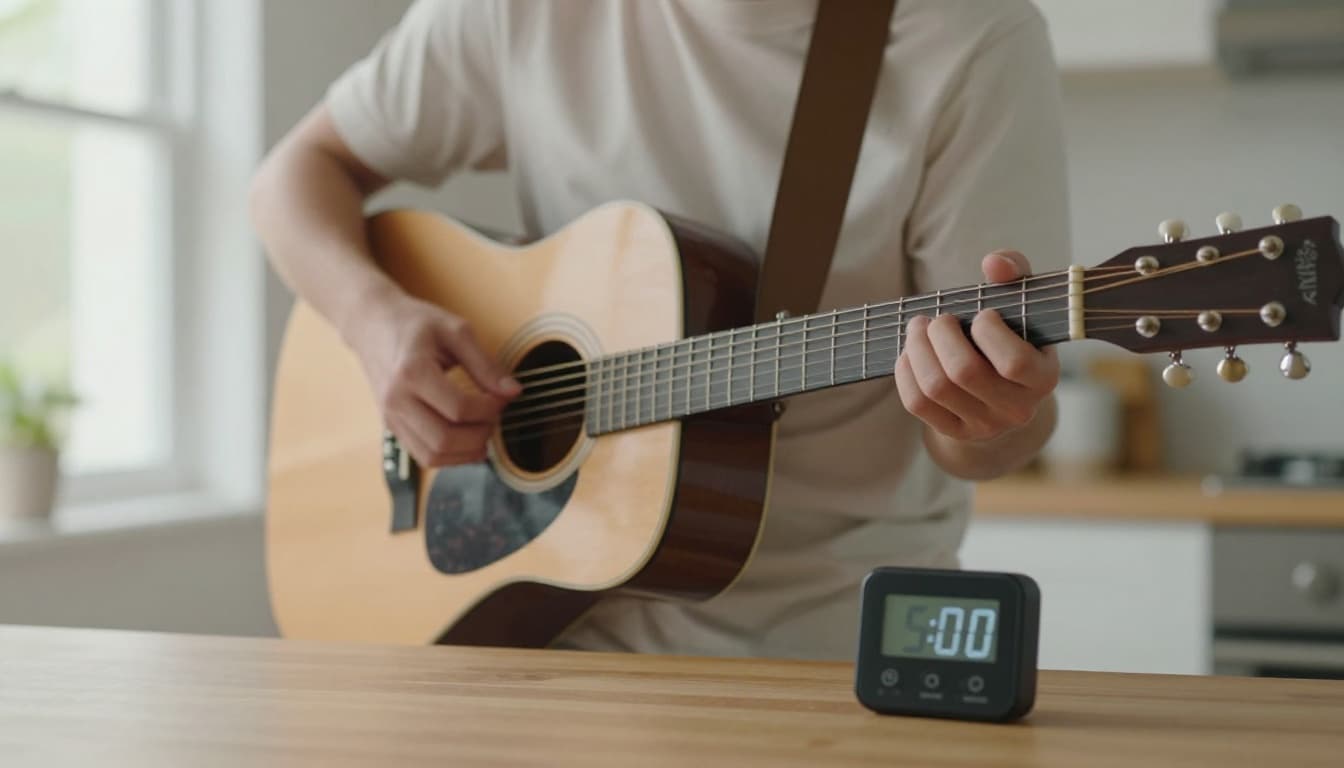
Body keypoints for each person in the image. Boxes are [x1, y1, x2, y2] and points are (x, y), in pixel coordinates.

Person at [249, 0, 1070, 661]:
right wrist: (373, 320)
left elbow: (992, 439)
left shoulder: (968, 37)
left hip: (820, 651)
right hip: (531, 648)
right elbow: (293, 175)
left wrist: (986, 417)